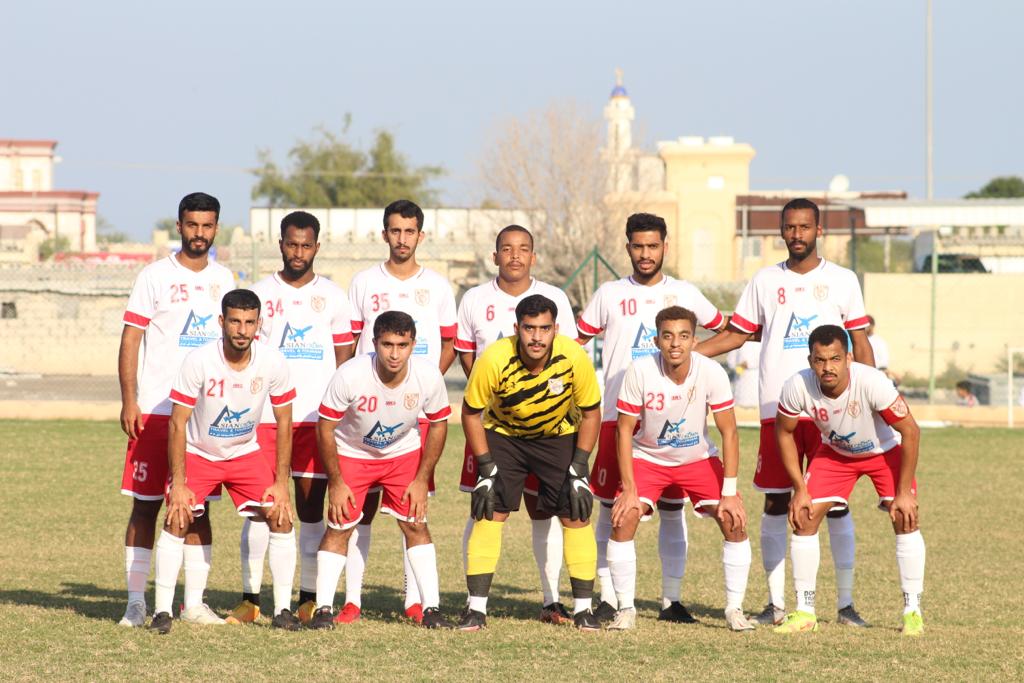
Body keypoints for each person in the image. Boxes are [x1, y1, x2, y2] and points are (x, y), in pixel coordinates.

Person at [697, 198, 875, 627]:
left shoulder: (843, 280)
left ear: (819, 231)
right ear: (781, 231)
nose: (797, 234)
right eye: (790, 227)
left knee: (835, 503)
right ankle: (775, 603)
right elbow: (737, 334)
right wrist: (689, 356)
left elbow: (859, 341)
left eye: (805, 227)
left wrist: (870, 397)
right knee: (776, 500)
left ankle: (846, 605)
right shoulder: (764, 280)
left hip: (833, 411)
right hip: (777, 410)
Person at [577, 212, 726, 624]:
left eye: (653, 246)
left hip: (675, 418)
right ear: (628, 247)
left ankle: (670, 601)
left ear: (665, 247)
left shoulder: (684, 292)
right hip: (619, 416)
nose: (646, 254)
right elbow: (575, 341)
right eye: (638, 246)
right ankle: (609, 597)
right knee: (612, 507)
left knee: (673, 509)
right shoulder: (609, 293)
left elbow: (728, 330)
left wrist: (692, 356)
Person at [229, 211, 355, 625]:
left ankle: (308, 599)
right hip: (267, 418)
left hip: (317, 419)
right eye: (291, 244)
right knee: (262, 508)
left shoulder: (334, 296)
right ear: (280, 244)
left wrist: (340, 413)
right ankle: (251, 599)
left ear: (317, 247)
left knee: (311, 509)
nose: (298, 252)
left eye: (306, 245)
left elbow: (345, 360)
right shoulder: (260, 294)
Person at [117, 192, 236, 627]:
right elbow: (131, 339)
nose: (199, 233)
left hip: (205, 416)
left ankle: (194, 604)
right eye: (192, 224)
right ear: (179, 225)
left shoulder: (225, 279)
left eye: (207, 226)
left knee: (198, 508)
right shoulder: (154, 276)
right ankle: (135, 602)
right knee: (146, 506)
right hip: (156, 410)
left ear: (216, 228)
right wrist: (130, 399)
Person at [149, 289, 298, 634]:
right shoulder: (199, 360)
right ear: (221, 321)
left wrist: (281, 483)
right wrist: (179, 483)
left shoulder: (273, 362)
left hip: (245, 452)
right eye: (235, 321)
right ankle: (162, 612)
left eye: (249, 322)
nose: (242, 330)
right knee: (178, 516)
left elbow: (285, 422)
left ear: (259, 324)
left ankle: (283, 610)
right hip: (199, 453)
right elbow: (177, 422)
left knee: (280, 515)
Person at [454, 224, 577, 624]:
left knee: (546, 511)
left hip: (546, 428)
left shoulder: (555, 298)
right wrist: (495, 396)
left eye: (523, 248)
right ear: (495, 256)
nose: (515, 255)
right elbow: (467, 355)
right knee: (485, 507)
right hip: (493, 426)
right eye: (507, 249)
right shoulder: (474, 299)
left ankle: (551, 599)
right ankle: (474, 602)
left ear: (533, 256)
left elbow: (567, 355)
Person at [459, 294, 603, 631]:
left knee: (576, 510)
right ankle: (475, 609)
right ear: (517, 328)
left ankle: (583, 610)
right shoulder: (495, 357)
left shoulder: (573, 356)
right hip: (505, 436)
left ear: (556, 329)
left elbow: (592, 412)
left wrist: (580, 467)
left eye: (544, 328)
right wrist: (486, 467)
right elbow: (470, 412)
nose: (536, 337)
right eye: (529, 328)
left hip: (557, 436)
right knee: (489, 509)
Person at [607, 306, 755, 632]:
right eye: (668, 336)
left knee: (733, 519)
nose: (676, 343)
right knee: (624, 516)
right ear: (656, 340)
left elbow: (730, 432)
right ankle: (626, 608)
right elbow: (623, 430)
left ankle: (734, 609)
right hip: (649, 458)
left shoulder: (711, 371)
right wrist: (629, 489)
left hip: (697, 459)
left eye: (684, 336)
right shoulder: (640, 370)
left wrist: (730, 492)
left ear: (694, 340)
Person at [345, 199, 458, 622]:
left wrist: (422, 386)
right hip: (366, 412)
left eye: (410, 231)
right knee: (358, 513)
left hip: (415, 414)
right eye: (395, 230)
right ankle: (352, 600)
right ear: (384, 234)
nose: (402, 238)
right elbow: (349, 343)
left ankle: (415, 600)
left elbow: (450, 342)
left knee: (411, 509)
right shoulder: (363, 282)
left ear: (420, 236)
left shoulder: (438, 287)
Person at [773, 324, 925, 636]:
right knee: (803, 517)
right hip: (835, 454)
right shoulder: (797, 385)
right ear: (810, 360)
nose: (827, 367)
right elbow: (784, 433)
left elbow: (910, 431)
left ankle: (912, 612)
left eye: (835, 359)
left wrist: (904, 492)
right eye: (819, 360)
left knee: (905, 516)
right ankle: (805, 612)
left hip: (883, 453)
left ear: (849, 358)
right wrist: (799, 489)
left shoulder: (873, 382)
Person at [308, 311, 454, 630]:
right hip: (353, 453)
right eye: (387, 344)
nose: (394, 354)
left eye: (402, 345)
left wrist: (422, 479)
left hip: (402, 454)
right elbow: (325, 427)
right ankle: (323, 610)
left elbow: (439, 424)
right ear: (374, 343)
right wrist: (336, 482)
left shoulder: (428, 375)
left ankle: (432, 609)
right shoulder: (350, 374)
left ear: (413, 344)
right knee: (339, 526)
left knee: (415, 524)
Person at [867, 315, 898, 385]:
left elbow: (883, 362)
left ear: (872, 326)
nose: (866, 328)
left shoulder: (879, 341)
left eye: (868, 325)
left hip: (877, 374)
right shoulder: (858, 341)